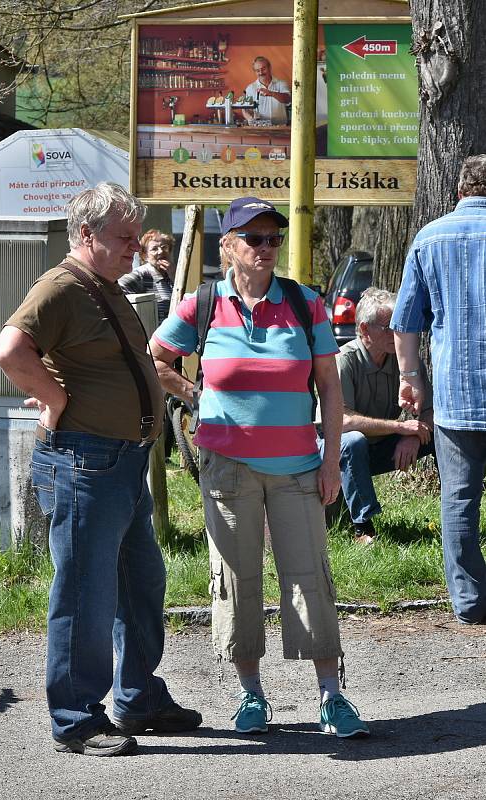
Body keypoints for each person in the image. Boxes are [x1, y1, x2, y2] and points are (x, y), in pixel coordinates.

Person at [0, 182, 201, 757]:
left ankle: (136, 697)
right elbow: (9, 350)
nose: (136, 247)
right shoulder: (60, 287)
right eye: (125, 237)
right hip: (84, 461)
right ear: (86, 235)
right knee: (86, 593)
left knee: (141, 583)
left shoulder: (102, 286)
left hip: (122, 462)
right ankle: (76, 717)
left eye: (137, 236)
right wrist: (53, 400)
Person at [150, 196, 370, 738]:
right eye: (255, 238)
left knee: (309, 577)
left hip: (297, 466)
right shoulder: (202, 304)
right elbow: (154, 358)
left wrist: (331, 459)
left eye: (274, 237)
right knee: (236, 578)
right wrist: (192, 394)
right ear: (228, 246)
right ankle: (251, 696)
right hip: (227, 469)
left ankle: (331, 696)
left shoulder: (305, 303)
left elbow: (329, 387)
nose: (267, 247)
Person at [391, 154, 486, 625]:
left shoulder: (430, 237)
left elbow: (406, 324)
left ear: (458, 191)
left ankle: (470, 602)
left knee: (459, 500)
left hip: (457, 395)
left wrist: (411, 379)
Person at [321, 287, 434, 544]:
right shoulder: (344, 360)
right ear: (364, 330)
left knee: (441, 435)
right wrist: (400, 427)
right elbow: (342, 422)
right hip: (334, 452)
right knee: (353, 441)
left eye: (399, 325)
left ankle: (456, 514)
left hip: (381, 447)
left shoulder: (404, 361)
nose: (397, 333)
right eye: (389, 327)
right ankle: (364, 526)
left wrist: (414, 437)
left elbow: (431, 412)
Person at [119, 229, 176, 324]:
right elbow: (119, 288)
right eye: (154, 249)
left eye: (164, 247)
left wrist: (174, 276)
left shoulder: (170, 274)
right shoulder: (141, 275)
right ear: (145, 255)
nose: (160, 251)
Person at [242, 56, 291, 125]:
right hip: (260, 128)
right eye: (257, 70)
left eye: (263, 69)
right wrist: (249, 118)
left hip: (281, 127)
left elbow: (288, 99)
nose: (261, 72)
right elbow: (245, 109)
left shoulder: (281, 83)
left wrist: (272, 93)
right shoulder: (250, 88)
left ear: (269, 68)